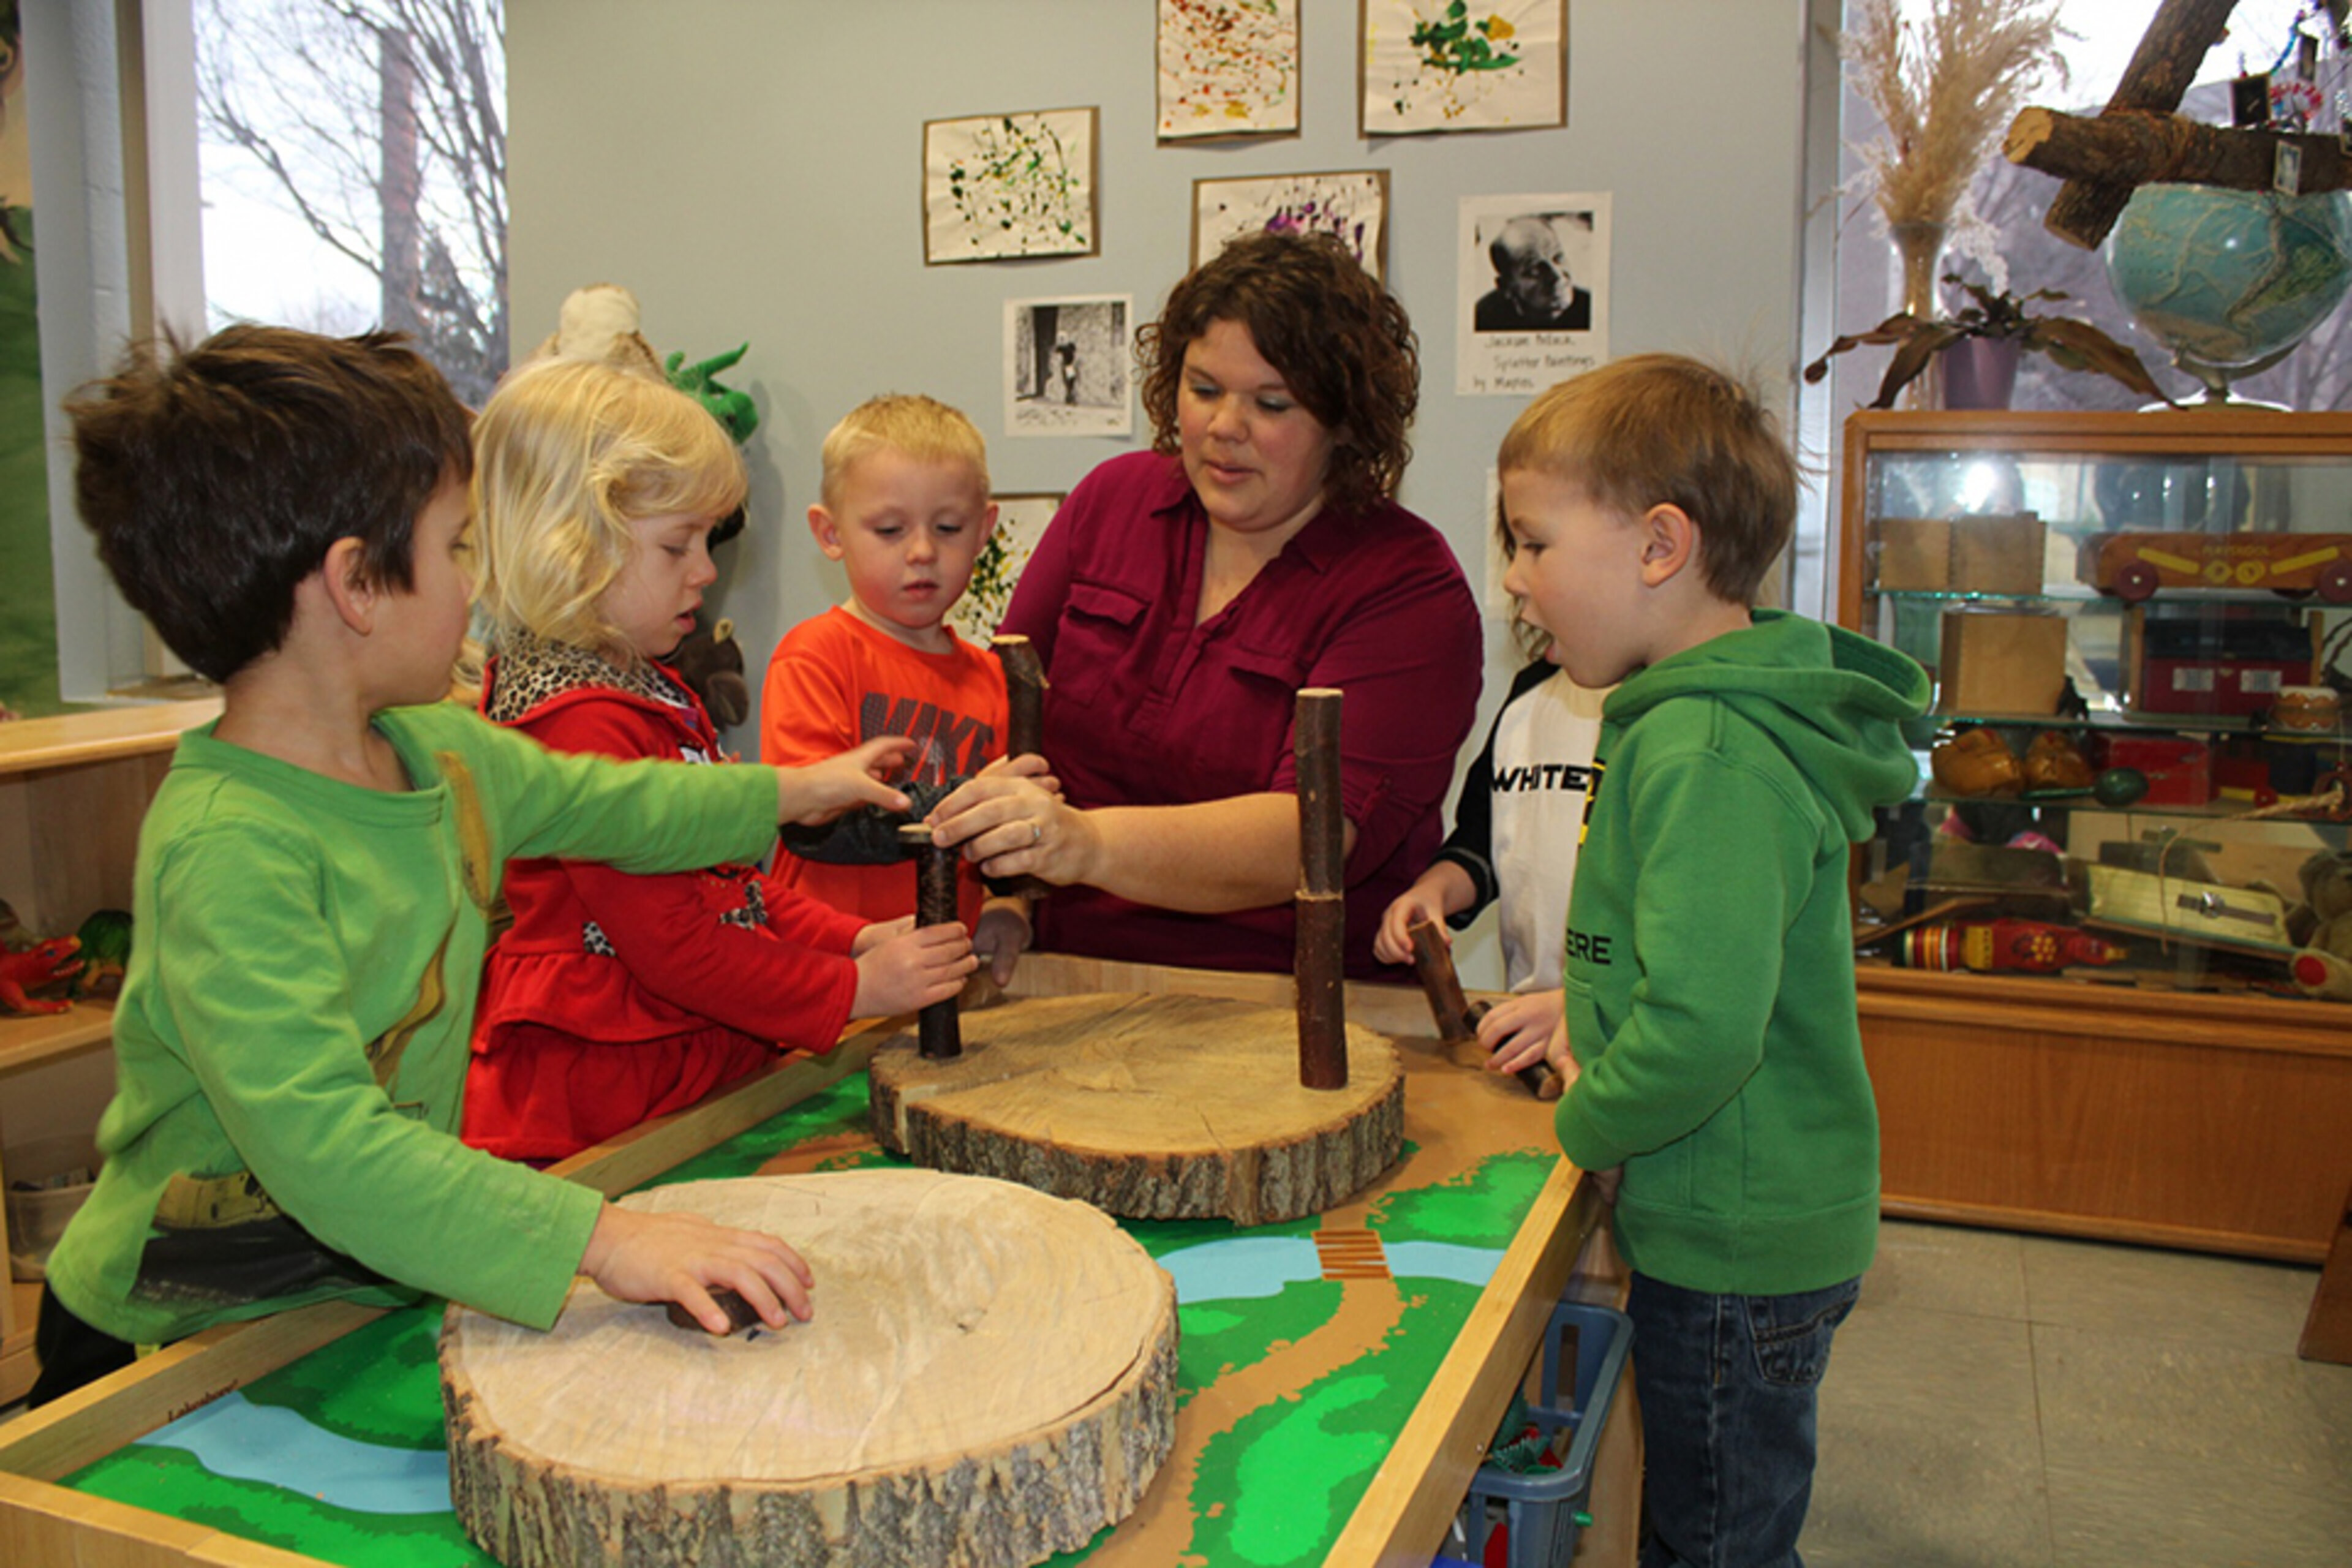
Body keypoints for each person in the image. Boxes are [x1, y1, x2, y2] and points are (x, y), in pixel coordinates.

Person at [30, 326, 914, 1407]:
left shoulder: (436, 753)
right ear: (358, 585)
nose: (474, 577)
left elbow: (622, 805)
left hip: (355, 1280)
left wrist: (796, 791)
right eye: (453, 548)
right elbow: (328, 1149)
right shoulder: (229, 844)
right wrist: (603, 1238)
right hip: (169, 1328)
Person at [1491, 355, 1929, 1568]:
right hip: (1731, 1207)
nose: (1518, 581)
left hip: (1739, 1242)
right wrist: (1583, 1019)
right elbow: (1671, 957)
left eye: (1533, 542)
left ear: (1658, 545)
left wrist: (1582, 1134)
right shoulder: (1695, 713)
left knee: (1717, 1540)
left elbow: (1704, 1027)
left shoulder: (1708, 749)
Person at [927, 230, 1482, 977]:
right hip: (1072, 972)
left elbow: (1310, 835)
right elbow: (1000, 711)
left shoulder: (1408, 589)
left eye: (1272, 402)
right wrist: (1010, 894)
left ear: (1347, 422)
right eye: (1205, 388)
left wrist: (1084, 844)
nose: (1225, 428)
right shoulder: (1112, 502)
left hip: (1295, 999)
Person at [461, 362, 976, 1165]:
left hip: (679, 1063)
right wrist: (857, 991)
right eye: (677, 545)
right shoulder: (581, 721)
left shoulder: (643, 686)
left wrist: (854, 940)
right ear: (569, 544)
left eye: (707, 540)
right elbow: (673, 947)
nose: (705, 570)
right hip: (606, 1098)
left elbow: (728, 885)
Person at [761, 393, 1034, 984]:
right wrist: (966, 803)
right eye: (889, 529)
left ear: (985, 529)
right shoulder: (815, 656)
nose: (922, 552)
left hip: (938, 978)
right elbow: (813, 827)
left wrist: (1004, 903)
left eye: (949, 527)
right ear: (830, 534)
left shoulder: (990, 678)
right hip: (827, 980)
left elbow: (1001, 834)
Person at [1371, 631, 1605, 1069]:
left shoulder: (1678, 716)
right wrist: (1433, 893)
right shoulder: (1532, 690)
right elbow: (1485, 839)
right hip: (1533, 1041)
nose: (1514, 582)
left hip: (1624, 1041)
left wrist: (1577, 1009)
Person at [1474, 216, 1593, 333]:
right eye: (1534, 270)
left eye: (1558, 258)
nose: (1557, 276)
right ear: (1506, 287)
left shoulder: (1591, 310)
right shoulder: (1483, 320)